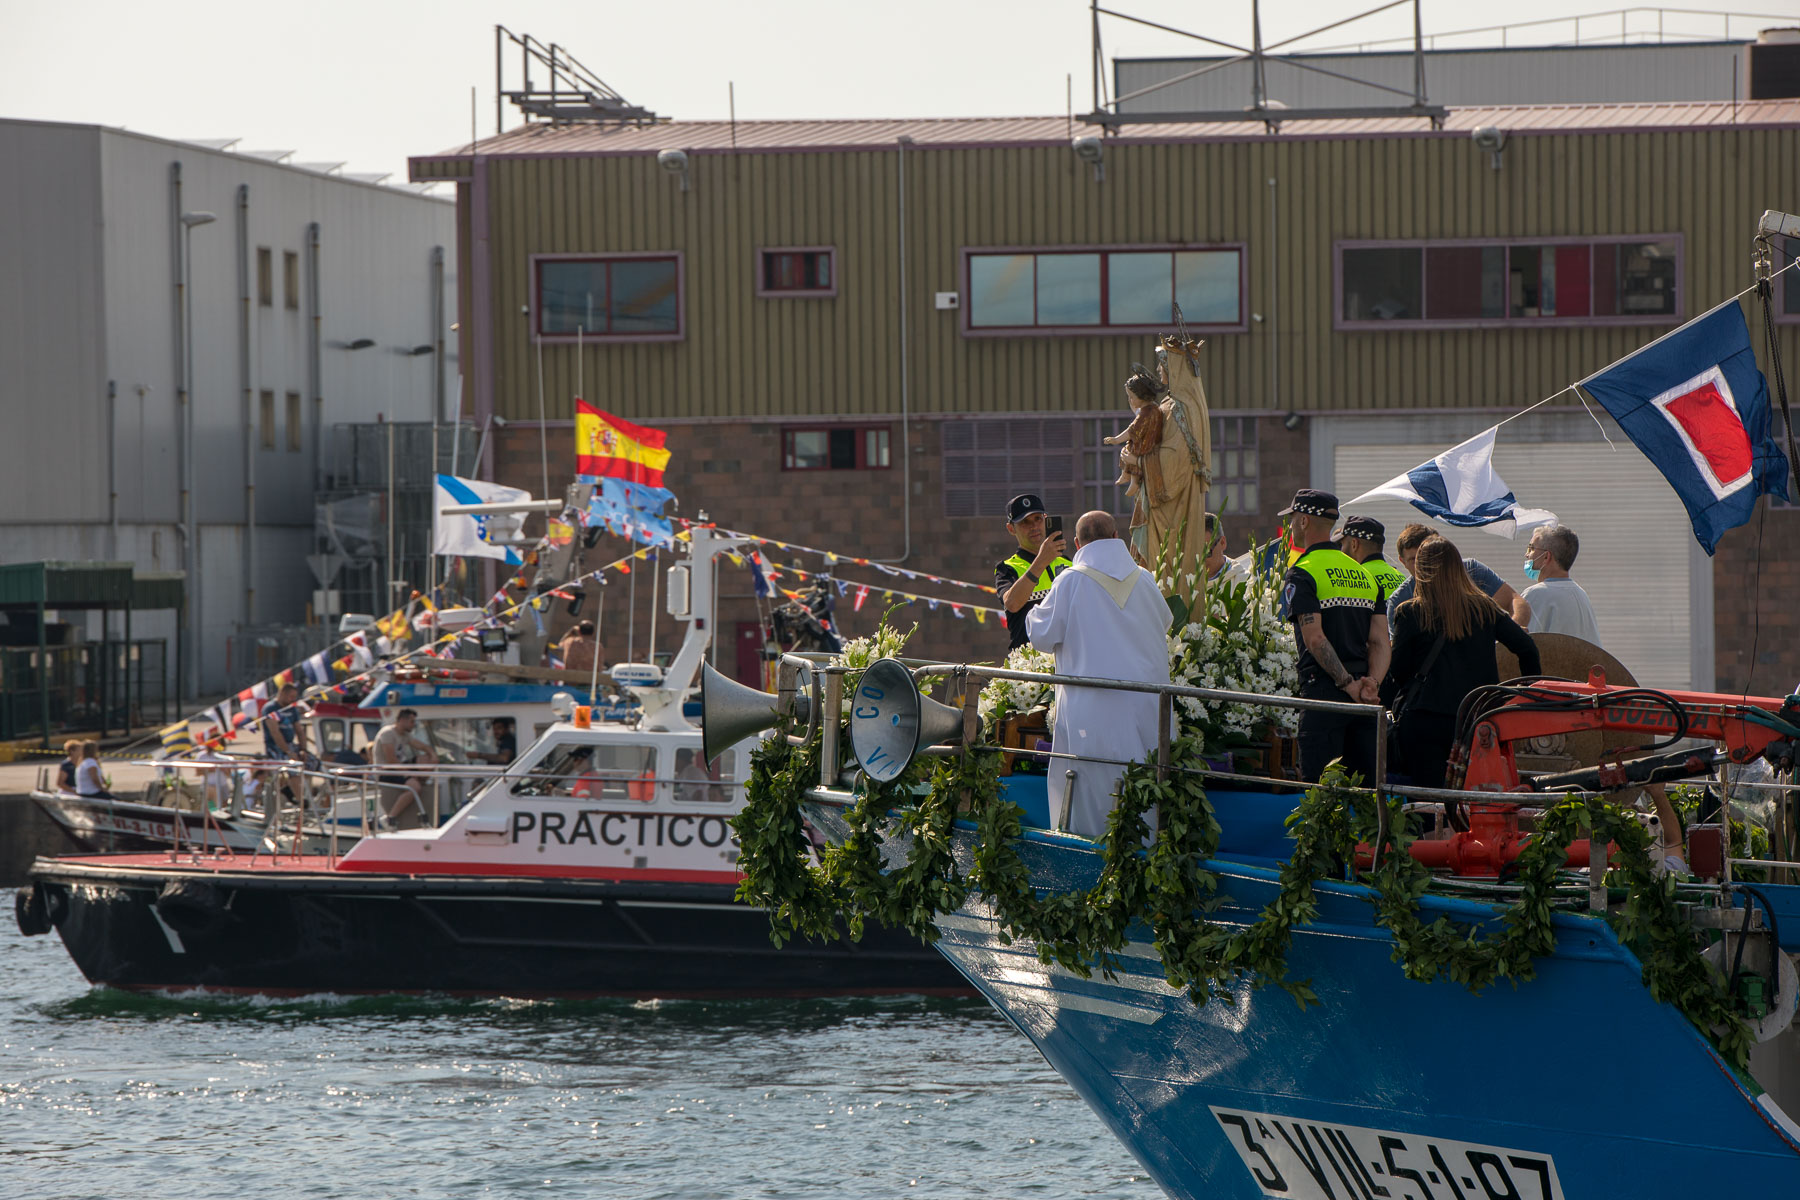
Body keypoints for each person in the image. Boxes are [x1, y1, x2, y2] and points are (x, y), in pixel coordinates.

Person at [1024, 510, 1172, 838]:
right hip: (1147, 709)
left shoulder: (1070, 581)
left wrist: (1033, 613)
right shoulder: (1145, 579)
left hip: (1091, 714)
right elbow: (1166, 622)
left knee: (1091, 801)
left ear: (1077, 543)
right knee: (1146, 794)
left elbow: (1041, 636)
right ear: (1117, 538)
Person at [1380, 536, 1542, 789]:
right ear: (1458, 567)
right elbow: (1528, 648)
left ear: (1421, 571)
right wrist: (1522, 697)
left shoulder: (1410, 612)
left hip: (1424, 720)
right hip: (1477, 720)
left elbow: (1398, 671)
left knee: (1428, 800)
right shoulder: (1484, 609)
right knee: (1474, 796)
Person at [1280, 489, 1390, 783]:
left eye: (1292, 519)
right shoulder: (1365, 575)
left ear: (1303, 521)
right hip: (1366, 699)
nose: (1291, 526)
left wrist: (1347, 685)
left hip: (1324, 695)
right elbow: (1380, 641)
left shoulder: (1302, 572)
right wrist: (1371, 685)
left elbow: (1315, 639)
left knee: (1322, 799)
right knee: (1367, 797)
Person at [1391, 523, 1531, 628]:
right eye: (1414, 560)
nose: (1422, 565)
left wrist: (1512, 637)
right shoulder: (1400, 602)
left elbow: (1516, 601)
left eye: (1428, 557)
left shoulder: (1472, 571)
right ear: (1402, 561)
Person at [995, 493, 1073, 652]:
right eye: (1025, 522)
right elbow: (1012, 604)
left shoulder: (1067, 563)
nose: (1034, 526)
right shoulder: (1007, 568)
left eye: (1038, 519)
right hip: (1029, 663)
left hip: (1067, 659)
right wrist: (1041, 561)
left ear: (1046, 519)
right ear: (1011, 529)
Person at [1520, 523, 1602, 645]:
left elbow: (1519, 645)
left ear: (1546, 557)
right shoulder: (1581, 595)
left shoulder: (1536, 594)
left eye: (1531, 548)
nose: (1527, 555)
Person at [373, 708, 437, 829]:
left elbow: (423, 746)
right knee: (415, 787)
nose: (414, 725)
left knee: (424, 759)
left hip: (398, 768)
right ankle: (390, 818)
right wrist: (409, 773)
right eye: (412, 722)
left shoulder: (405, 735)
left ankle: (422, 780)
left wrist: (432, 755)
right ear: (402, 720)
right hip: (386, 771)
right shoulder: (387, 733)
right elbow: (391, 759)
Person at [1336, 515, 1407, 600]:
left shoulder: (1356, 578)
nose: (1341, 550)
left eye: (1342, 544)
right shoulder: (1401, 577)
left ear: (1354, 544)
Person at [260, 683, 309, 762]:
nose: (293, 699)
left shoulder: (292, 708)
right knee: (291, 764)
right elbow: (275, 732)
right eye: (291, 697)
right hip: (275, 746)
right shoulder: (271, 708)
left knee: (312, 762)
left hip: (291, 745)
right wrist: (288, 752)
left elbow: (299, 731)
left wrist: (303, 749)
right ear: (282, 694)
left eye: (295, 697)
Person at [1201, 513, 1228, 581]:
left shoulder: (1245, 582)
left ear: (1222, 543)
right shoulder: (1180, 584)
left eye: (1206, 552)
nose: (1200, 559)